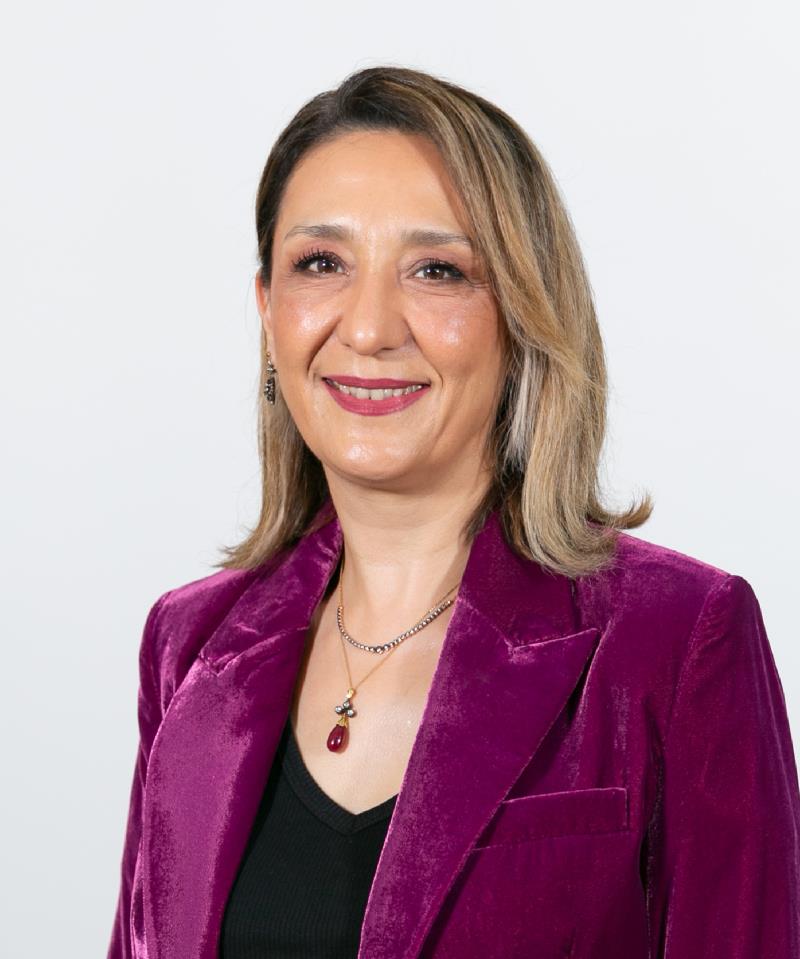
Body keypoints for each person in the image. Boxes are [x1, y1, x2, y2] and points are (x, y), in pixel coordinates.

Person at [106, 65, 800, 959]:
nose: (368, 327)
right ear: (268, 312)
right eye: (321, 263)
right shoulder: (189, 645)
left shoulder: (675, 637)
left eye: (437, 270)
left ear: (522, 315)